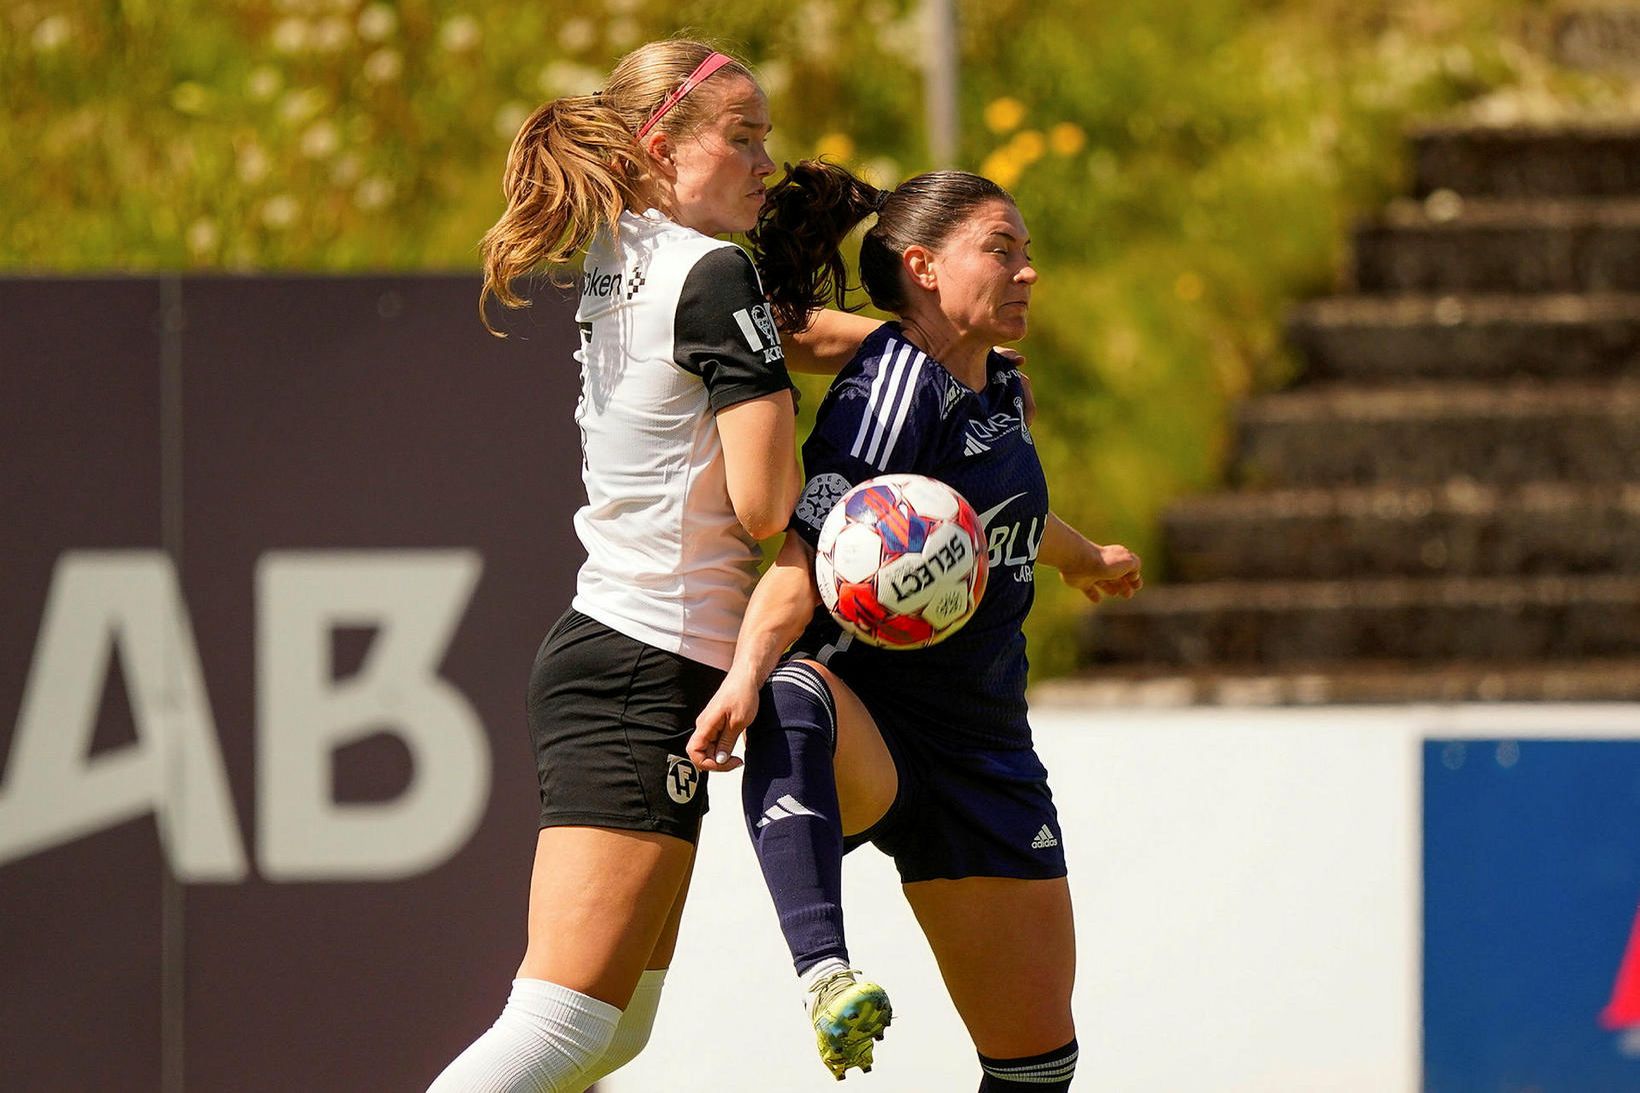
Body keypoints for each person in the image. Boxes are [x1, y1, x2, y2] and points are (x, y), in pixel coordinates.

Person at [428, 43, 876, 1093]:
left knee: (614, 1031)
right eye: (744, 137)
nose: (768, 163)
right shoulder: (707, 272)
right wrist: (862, 495)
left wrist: (916, 354)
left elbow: (776, 331)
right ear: (660, 144)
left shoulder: (627, 248)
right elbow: (769, 508)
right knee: (562, 1027)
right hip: (642, 662)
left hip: (624, 653)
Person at [687, 162, 1143, 1088]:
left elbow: (992, 518)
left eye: (1027, 253)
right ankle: (824, 972)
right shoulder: (891, 395)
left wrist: (1084, 557)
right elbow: (809, 554)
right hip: (877, 727)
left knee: (1036, 1068)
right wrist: (742, 674)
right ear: (925, 266)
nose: (1027, 272)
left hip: (985, 748)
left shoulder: (1000, 386)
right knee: (790, 689)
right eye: (1001, 251)